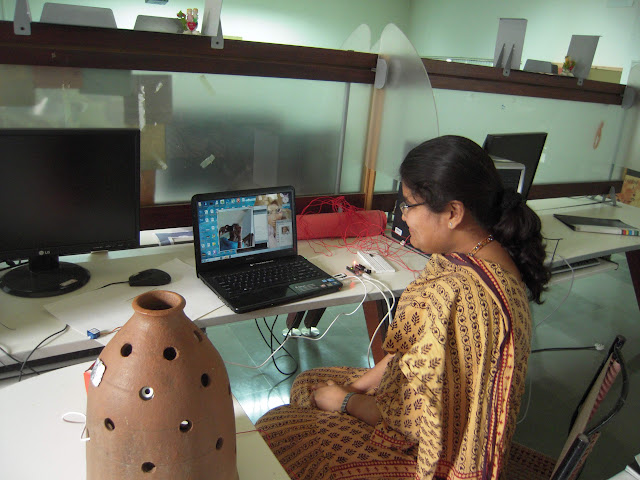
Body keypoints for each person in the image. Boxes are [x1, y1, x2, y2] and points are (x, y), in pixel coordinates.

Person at [255, 135, 550, 480]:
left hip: (432, 454)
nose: (402, 216)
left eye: (409, 205)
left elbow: (417, 425)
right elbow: (411, 352)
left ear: (453, 213)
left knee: (276, 429)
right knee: (308, 383)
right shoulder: (484, 256)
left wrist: (347, 402)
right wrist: (358, 386)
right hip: (421, 409)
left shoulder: (458, 293)